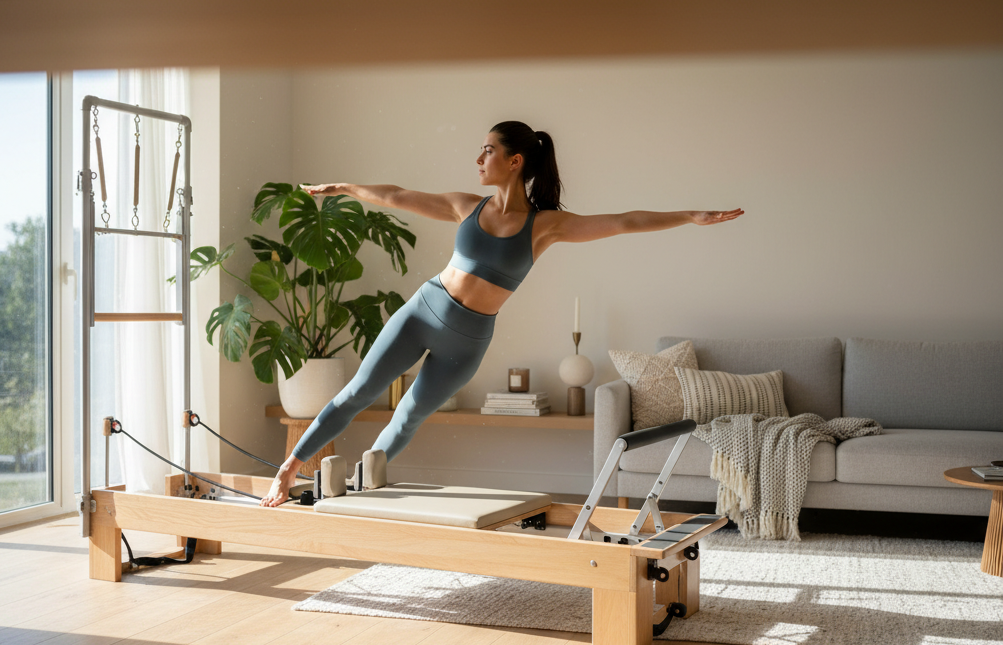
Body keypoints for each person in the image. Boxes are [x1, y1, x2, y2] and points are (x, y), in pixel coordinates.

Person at [259, 121, 743, 506]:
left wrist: (689, 216)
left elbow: (623, 222)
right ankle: (288, 470)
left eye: (488, 150)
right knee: (358, 393)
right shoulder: (465, 206)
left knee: (409, 417)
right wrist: (345, 187)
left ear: (515, 161)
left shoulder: (545, 226)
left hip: (467, 341)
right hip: (422, 312)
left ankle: (365, 484)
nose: (479, 159)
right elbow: (397, 196)